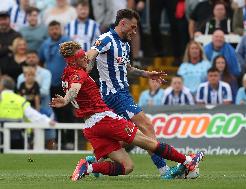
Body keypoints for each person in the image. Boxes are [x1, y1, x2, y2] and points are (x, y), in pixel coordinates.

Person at [50, 41, 205, 181]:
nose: (86, 58)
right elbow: (75, 90)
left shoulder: (68, 73)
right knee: (148, 142)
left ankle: (89, 167)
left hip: (90, 127)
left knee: (127, 166)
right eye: (82, 56)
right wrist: (65, 100)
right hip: (104, 119)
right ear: (74, 60)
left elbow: (80, 77)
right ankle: (187, 161)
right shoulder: (79, 74)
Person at [86, 9, 173, 176]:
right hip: (114, 94)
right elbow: (90, 55)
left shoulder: (125, 43)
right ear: (122, 23)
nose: (134, 31)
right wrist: (83, 70)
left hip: (121, 93)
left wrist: (147, 74)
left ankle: (95, 159)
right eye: (132, 27)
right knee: (146, 126)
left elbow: (126, 68)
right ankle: (164, 170)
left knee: (130, 136)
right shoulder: (106, 39)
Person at [0, 75, 55, 149]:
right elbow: (33, 115)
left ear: (2, 86)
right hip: (18, 138)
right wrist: (47, 121)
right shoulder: (20, 100)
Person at [0, 11, 21, 75]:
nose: (3, 22)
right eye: (1, 20)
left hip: (14, 70)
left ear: (9, 20)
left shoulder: (16, 35)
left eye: (5, 19)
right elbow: (12, 49)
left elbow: (18, 51)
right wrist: (9, 48)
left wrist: (2, 48)